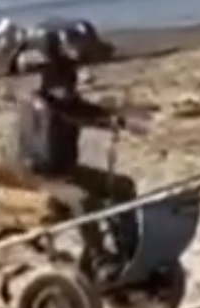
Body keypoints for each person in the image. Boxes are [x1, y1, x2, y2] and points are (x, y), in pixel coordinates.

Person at [10, 32, 138, 230]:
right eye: (67, 82)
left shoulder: (64, 101)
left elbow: (86, 111)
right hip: (39, 176)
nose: (71, 87)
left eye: (71, 82)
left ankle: (128, 244)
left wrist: (113, 119)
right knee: (84, 200)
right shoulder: (42, 103)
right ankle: (98, 256)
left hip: (65, 170)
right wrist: (105, 120)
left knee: (123, 187)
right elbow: (76, 114)